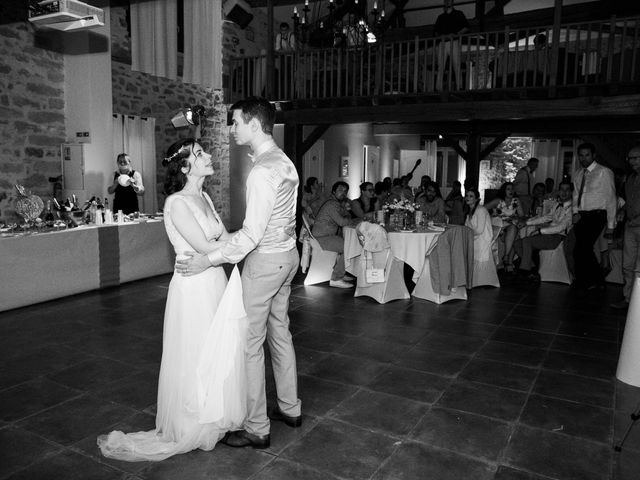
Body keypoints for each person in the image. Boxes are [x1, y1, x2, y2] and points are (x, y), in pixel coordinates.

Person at [97, 139, 246, 461]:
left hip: (213, 280)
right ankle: (192, 423)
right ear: (184, 167)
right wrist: (245, 241)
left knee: (217, 349)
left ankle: (215, 415)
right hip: (193, 288)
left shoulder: (204, 196)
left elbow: (223, 238)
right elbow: (209, 249)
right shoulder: (177, 203)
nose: (207, 156)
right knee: (195, 352)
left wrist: (252, 234)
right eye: (199, 154)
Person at [177, 97, 302, 449]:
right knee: (280, 333)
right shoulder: (283, 161)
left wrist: (210, 259)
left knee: (250, 345)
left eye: (235, 122)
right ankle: (291, 408)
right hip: (288, 256)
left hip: (265, 262)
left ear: (254, 124)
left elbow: (251, 235)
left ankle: (257, 426)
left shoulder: (263, 169)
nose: (231, 130)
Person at [571, 142, 617, 291]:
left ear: (594, 155)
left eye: (587, 155)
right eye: (581, 155)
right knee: (581, 249)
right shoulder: (578, 173)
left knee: (582, 248)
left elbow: (611, 199)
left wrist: (610, 226)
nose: (584, 158)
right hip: (581, 216)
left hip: (597, 215)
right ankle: (589, 280)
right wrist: (575, 212)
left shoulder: (604, 172)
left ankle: (593, 280)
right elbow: (575, 195)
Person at [514, 180, 574, 280]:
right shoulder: (556, 204)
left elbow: (561, 227)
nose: (564, 192)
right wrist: (526, 223)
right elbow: (547, 217)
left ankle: (524, 271)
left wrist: (540, 231)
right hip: (548, 235)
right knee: (517, 243)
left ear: (571, 192)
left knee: (527, 241)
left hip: (558, 237)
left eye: (567, 190)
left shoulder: (572, 208)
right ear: (558, 191)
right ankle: (532, 269)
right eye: (562, 189)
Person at [312, 181, 359, 288]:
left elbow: (345, 215)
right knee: (349, 247)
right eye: (340, 190)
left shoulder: (334, 203)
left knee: (348, 244)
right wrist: (348, 218)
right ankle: (336, 278)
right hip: (321, 238)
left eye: (345, 191)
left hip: (324, 236)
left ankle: (340, 272)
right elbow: (342, 222)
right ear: (333, 191)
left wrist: (346, 216)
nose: (343, 193)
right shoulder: (331, 204)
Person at [611, 145, 640, 309]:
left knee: (639, 267)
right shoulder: (630, 179)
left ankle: (638, 302)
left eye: (636, 157)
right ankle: (628, 299)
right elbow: (629, 202)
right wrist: (622, 210)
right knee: (627, 264)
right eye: (630, 158)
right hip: (630, 226)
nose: (632, 161)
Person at [484, 181, 524, 273]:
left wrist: (516, 217)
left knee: (514, 230)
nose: (511, 191)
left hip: (510, 226)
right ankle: (509, 263)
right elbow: (482, 208)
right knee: (515, 235)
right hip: (498, 226)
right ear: (504, 191)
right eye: (508, 189)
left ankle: (506, 257)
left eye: (512, 189)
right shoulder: (498, 201)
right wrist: (490, 215)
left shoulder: (516, 201)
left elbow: (522, 215)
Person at [464, 187, 499, 287]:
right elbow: (467, 227)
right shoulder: (469, 211)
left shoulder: (481, 210)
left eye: (471, 196)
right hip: (474, 238)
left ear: (476, 199)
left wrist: (468, 235)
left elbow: (479, 230)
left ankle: (479, 280)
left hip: (482, 239)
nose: (468, 198)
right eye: (467, 195)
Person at [434, 0, 469, 90]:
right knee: (440, 66)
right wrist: (440, 36)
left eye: (449, 0)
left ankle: (459, 86)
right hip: (442, 43)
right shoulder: (441, 17)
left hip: (454, 41)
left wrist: (456, 34)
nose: (447, 2)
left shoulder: (458, 14)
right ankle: (438, 87)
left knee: (456, 64)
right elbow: (435, 32)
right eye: (446, 1)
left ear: (452, 2)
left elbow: (466, 27)